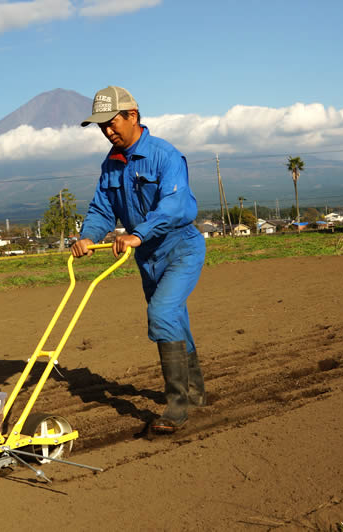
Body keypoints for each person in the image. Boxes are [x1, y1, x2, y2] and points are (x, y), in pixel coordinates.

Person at [71, 86, 206, 434]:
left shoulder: (165, 155)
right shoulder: (111, 164)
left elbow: (176, 207)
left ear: (132, 116)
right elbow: (102, 208)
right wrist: (89, 235)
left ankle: (176, 405)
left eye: (112, 123)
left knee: (162, 313)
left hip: (181, 248)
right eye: (102, 127)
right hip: (147, 258)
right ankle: (195, 392)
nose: (107, 132)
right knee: (173, 317)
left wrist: (137, 234)